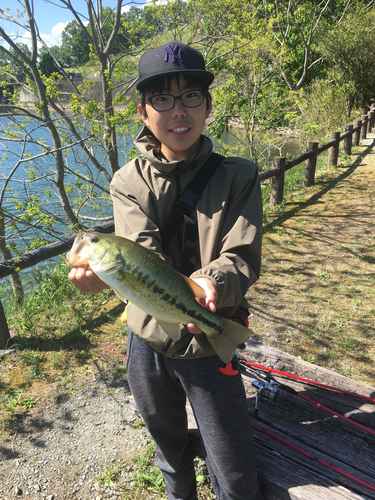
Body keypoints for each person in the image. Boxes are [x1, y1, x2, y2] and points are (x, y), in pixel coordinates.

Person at [69, 41, 263, 500]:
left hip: (210, 336)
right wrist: (102, 276)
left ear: (208, 105)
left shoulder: (239, 175)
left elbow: (241, 254)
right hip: (147, 343)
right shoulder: (127, 181)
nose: (179, 111)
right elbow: (139, 254)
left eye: (191, 96)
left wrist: (209, 283)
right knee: (169, 452)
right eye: (163, 99)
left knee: (234, 470)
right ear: (143, 110)